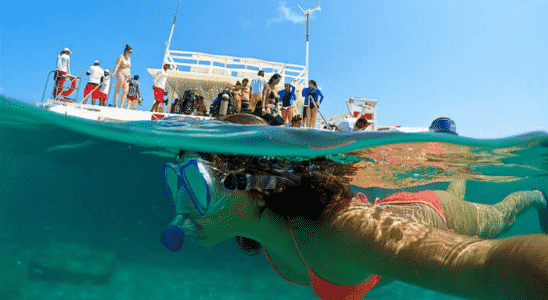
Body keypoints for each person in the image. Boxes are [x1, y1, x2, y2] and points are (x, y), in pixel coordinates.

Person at [161, 113, 548, 300]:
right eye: (174, 183)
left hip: (431, 213)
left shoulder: (334, 233)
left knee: (497, 217)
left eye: (195, 183)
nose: (182, 206)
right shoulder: (263, 232)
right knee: (457, 193)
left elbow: (485, 266)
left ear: (248, 182)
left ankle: (536, 197)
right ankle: (454, 160)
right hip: (397, 209)